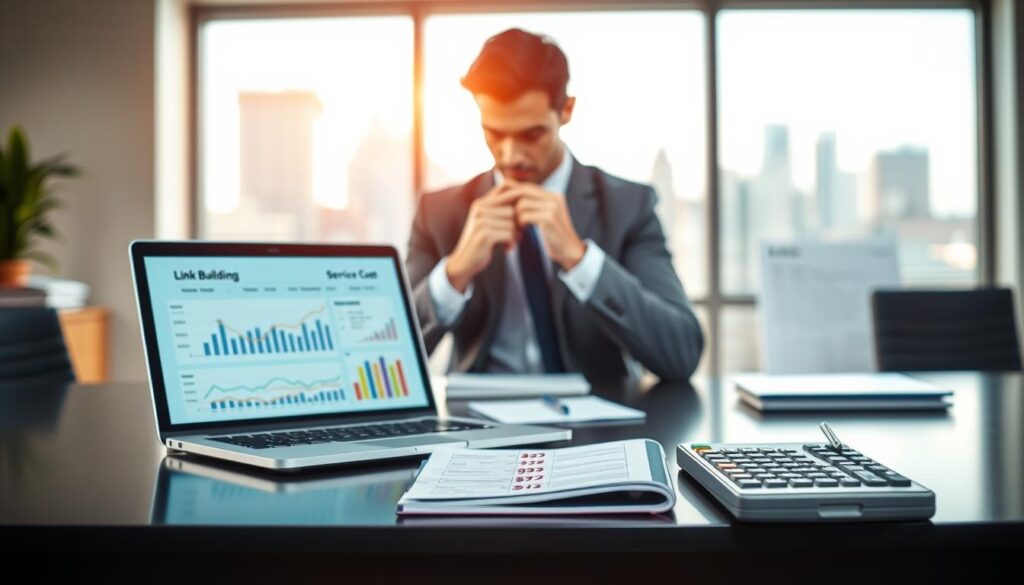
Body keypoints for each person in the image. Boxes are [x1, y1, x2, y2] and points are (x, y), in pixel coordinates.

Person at [406, 28, 703, 383]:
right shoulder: (439, 213)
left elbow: (682, 352)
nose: (511, 155)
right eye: (495, 133)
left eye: (532, 134)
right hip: (473, 426)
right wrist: (454, 273)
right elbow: (386, 354)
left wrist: (581, 260)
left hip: (602, 425)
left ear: (567, 110)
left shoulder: (628, 206)